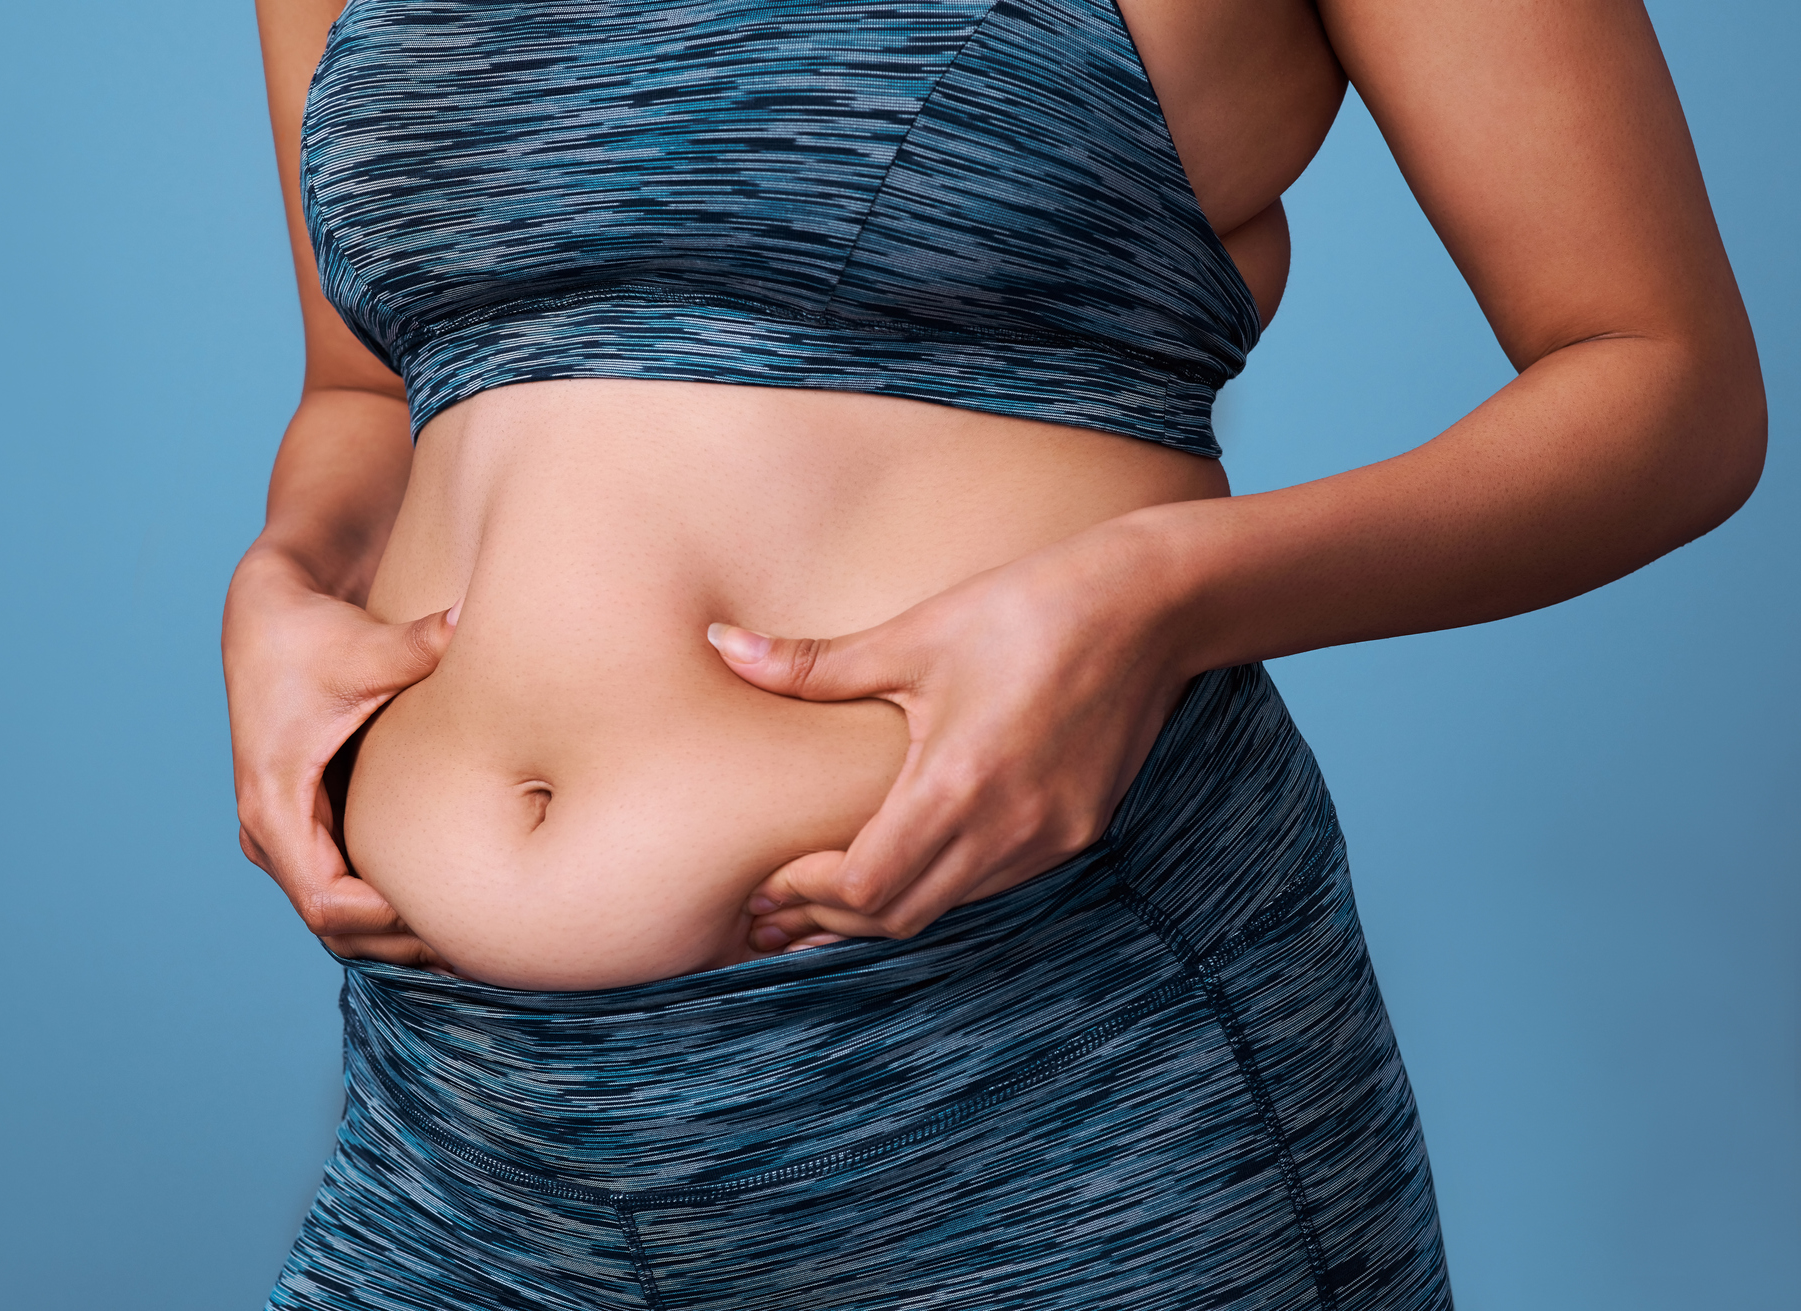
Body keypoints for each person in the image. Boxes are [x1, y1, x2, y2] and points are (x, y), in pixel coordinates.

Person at [223, 0, 1764, 1305]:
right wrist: (284, 581)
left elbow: (1665, 385)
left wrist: (1159, 596)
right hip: (465, 1123)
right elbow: (365, 394)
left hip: (1051, 1079)